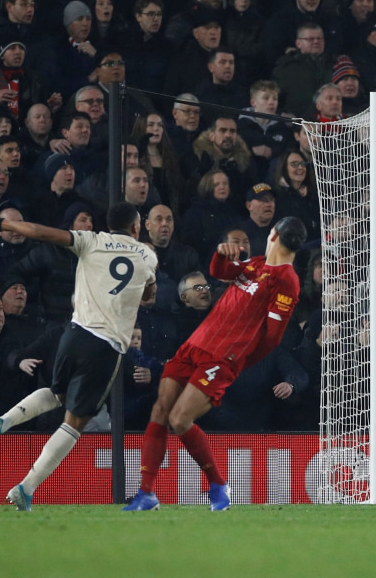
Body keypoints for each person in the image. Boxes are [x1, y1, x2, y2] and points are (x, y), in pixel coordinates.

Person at [0, 203, 157, 511]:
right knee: (75, 422)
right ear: (137, 228)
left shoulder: (92, 240)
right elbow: (149, 297)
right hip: (106, 346)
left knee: (58, 393)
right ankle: (25, 488)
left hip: (74, 333)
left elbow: (42, 232)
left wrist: (4, 224)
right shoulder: (147, 255)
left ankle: (4, 420)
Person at [127, 216, 306, 511]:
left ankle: (218, 484)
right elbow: (218, 272)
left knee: (180, 419)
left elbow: (272, 339)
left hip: (223, 357)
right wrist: (220, 254)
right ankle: (146, 493)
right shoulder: (256, 264)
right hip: (195, 345)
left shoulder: (286, 280)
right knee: (160, 409)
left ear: (273, 234)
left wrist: (237, 359)